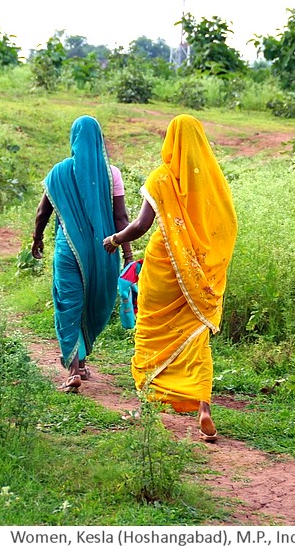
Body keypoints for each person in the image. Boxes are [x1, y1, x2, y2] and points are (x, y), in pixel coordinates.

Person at [102, 114, 237, 441]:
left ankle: (147, 408)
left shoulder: (161, 178)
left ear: (171, 140)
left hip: (164, 267)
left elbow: (141, 225)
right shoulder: (211, 180)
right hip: (199, 271)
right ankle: (204, 406)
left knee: (150, 330)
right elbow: (227, 225)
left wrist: (116, 240)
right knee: (196, 337)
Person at [32, 115, 133, 393]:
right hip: (105, 250)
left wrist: (37, 238)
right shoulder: (111, 173)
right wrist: (127, 254)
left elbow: (43, 212)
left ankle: (75, 369)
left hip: (69, 249)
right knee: (92, 301)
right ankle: (82, 364)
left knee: (69, 303)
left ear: (74, 139)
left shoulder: (59, 172)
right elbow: (121, 218)